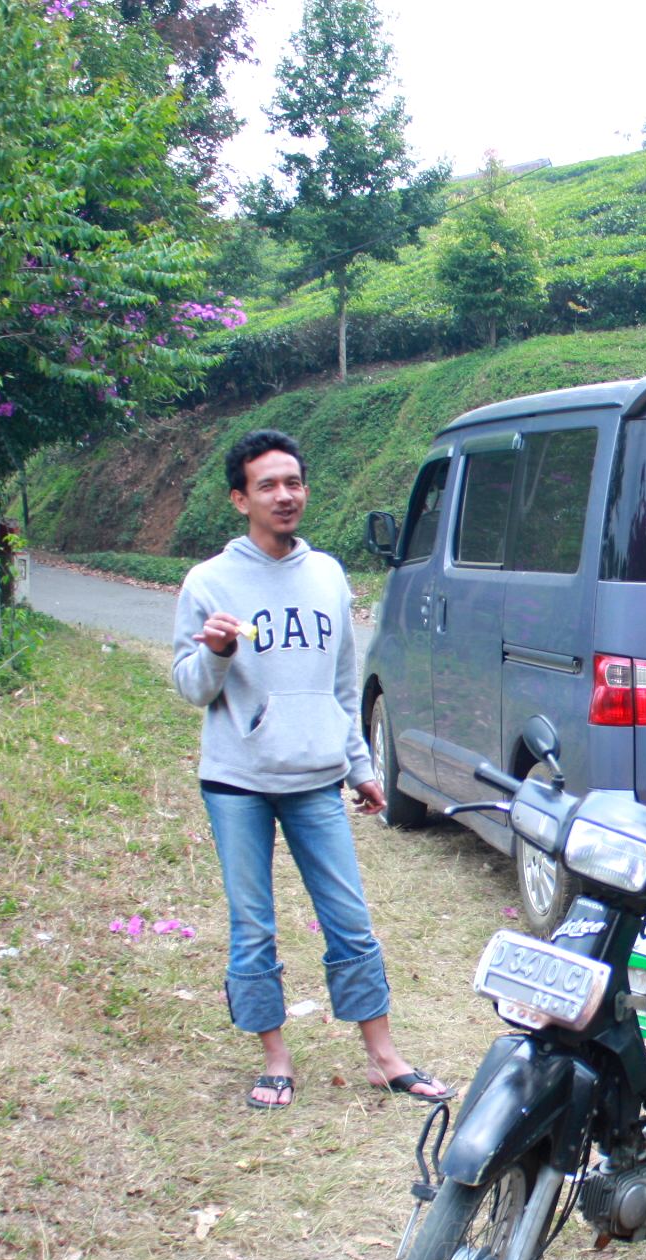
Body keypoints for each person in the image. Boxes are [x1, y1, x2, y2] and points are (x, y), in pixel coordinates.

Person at [171, 429, 451, 1110]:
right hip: (238, 780)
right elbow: (189, 687)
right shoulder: (208, 582)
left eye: (293, 482)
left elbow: (342, 685)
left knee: (350, 919)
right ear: (240, 498)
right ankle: (274, 1058)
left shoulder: (326, 574)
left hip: (316, 779)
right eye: (267, 485)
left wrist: (361, 766)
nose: (284, 495)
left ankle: (385, 1057)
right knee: (253, 923)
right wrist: (214, 653)